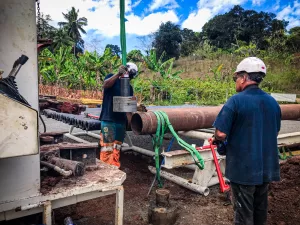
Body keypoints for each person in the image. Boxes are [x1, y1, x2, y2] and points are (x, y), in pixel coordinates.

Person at [212, 57, 281, 225]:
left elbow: (220, 133)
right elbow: (275, 130)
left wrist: (216, 139)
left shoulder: (236, 101)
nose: (236, 81)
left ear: (244, 78)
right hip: (266, 169)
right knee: (260, 211)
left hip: (244, 170)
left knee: (243, 214)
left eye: (236, 77)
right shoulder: (273, 102)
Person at [99, 62, 138, 168]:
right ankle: (105, 171)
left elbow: (128, 109)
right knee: (108, 147)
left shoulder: (129, 88)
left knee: (117, 147)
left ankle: (114, 168)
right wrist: (117, 74)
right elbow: (105, 85)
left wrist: (131, 124)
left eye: (131, 76)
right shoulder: (111, 78)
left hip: (121, 122)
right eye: (128, 73)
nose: (129, 77)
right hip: (108, 120)